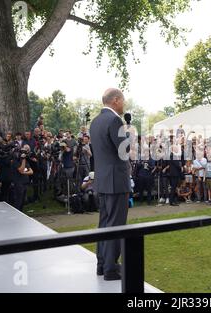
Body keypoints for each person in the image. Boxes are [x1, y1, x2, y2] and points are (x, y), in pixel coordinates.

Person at [90, 88, 131, 281]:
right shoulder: (115, 121)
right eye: (123, 100)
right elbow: (124, 151)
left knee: (104, 223)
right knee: (116, 225)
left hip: (102, 181)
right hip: (116, 181)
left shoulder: (96, 121)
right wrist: (128, 134)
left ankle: (102, 264)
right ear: (115, 100)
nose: (124, 104)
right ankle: (111, 269)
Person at [11, 145, 33, 211]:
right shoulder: (15, 161)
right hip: (18, 183)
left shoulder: (25, 161)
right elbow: (21, 169)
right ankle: (16, 213)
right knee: (18, 200)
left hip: (25, 182)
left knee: (23, 200)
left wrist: (24, 173)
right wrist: (23, 160)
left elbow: (31, 171)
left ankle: (21, 213)